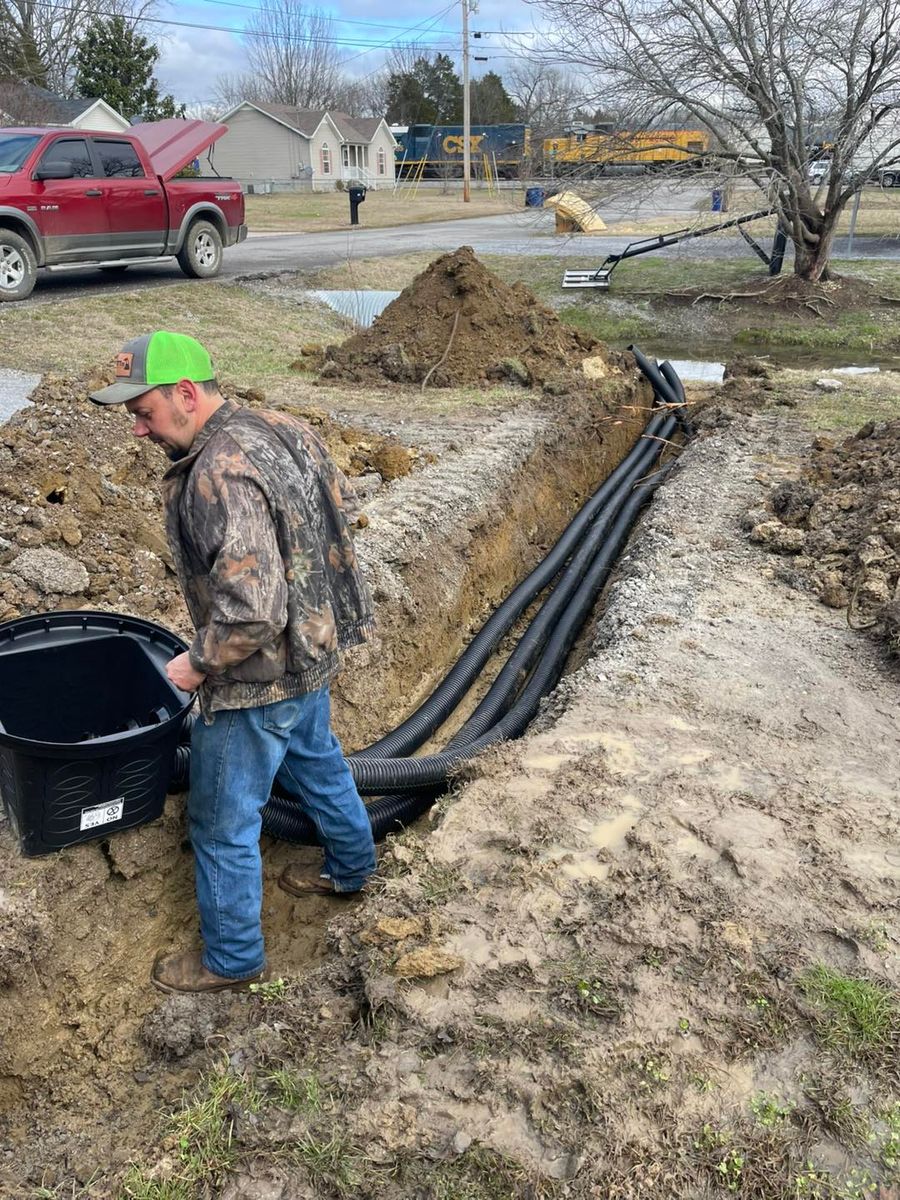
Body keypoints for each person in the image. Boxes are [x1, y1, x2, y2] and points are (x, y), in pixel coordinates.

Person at [90, 331, 377, 995]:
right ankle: (353, 868)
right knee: (319, 763)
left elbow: (251, 610)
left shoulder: (218, 472)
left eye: (145, 411)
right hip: (312, 650)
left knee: (222, 824)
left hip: (254, 679)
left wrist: (196, 665)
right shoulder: (283, 427)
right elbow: (339, 514)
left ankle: (233, 958)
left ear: (186, 393)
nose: (138, 429)